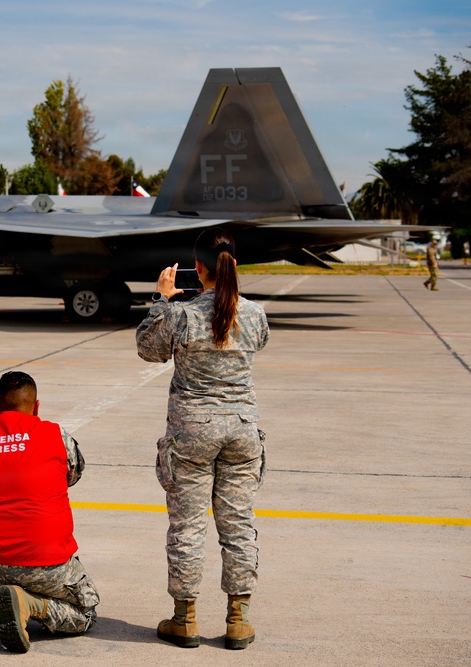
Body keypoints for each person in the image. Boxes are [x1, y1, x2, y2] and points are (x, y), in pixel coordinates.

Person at [135, 229, 269, 650]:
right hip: (242, 430)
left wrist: (162, 299)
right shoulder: (254, 314)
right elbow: (257, 339)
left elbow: (148, 349)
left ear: (198, 269)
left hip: (192, 431)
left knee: (188, 526)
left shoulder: (182, 314)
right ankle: (238, 619)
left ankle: (185, 619)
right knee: (238, 525)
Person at [0, 371, 99, 653]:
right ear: (36, 407)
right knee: (84, 614)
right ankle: (29, 604)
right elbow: (72, 476)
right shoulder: (57, 435)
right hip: (48, 564)